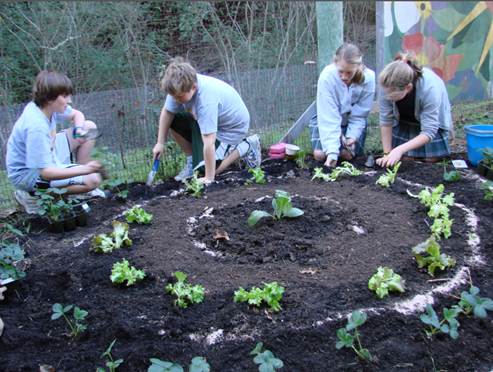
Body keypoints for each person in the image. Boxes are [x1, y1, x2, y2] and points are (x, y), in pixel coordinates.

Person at [6, 70, 104, 214]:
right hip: (28, 174)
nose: (69, 100)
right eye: (65, 96)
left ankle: (76, 174)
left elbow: (77, 114)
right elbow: (46, 173)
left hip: (48, 150)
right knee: (93, 180)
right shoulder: (36, 126)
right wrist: (87, 170)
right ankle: (33, 196)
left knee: (88, 127)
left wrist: (78, 130)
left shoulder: (46, 107)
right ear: (50, 98)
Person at [152, 57, 261, 184]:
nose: (175, 100)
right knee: (174, 119)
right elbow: (167, 112)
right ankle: (191, 161)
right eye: (173, 97)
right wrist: (160, 143)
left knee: (204, 170)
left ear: (194, 87)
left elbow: (209, 142)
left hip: (231, 129)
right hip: (207, 122)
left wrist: (209, 177)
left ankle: (246, 145)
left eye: (179, 97)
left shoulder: (206, 100)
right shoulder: (178, 86)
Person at [376, 52, 453, 168]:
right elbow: (386, 121)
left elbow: (429, 131)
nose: (388, 98)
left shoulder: (429, 88)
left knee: (430, 160)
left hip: (430, 126)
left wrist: (399, 150)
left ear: (408, 88)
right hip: (405, 123)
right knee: (406, 159)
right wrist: (387, 153)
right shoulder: (386, 85)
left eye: (392, 96)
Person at [310, 43, 376, 168]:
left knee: (347, 155)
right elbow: (328, 115)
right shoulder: (327, 77)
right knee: (320, 155)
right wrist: (332, 153)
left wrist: (352, 136)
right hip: (327, 119)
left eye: (349, 73)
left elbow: (360, 114)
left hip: (351, 122)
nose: (344, 77)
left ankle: (346, 148)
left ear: (358, 67)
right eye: (341, 71)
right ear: (335, 63)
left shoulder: (369, 78)